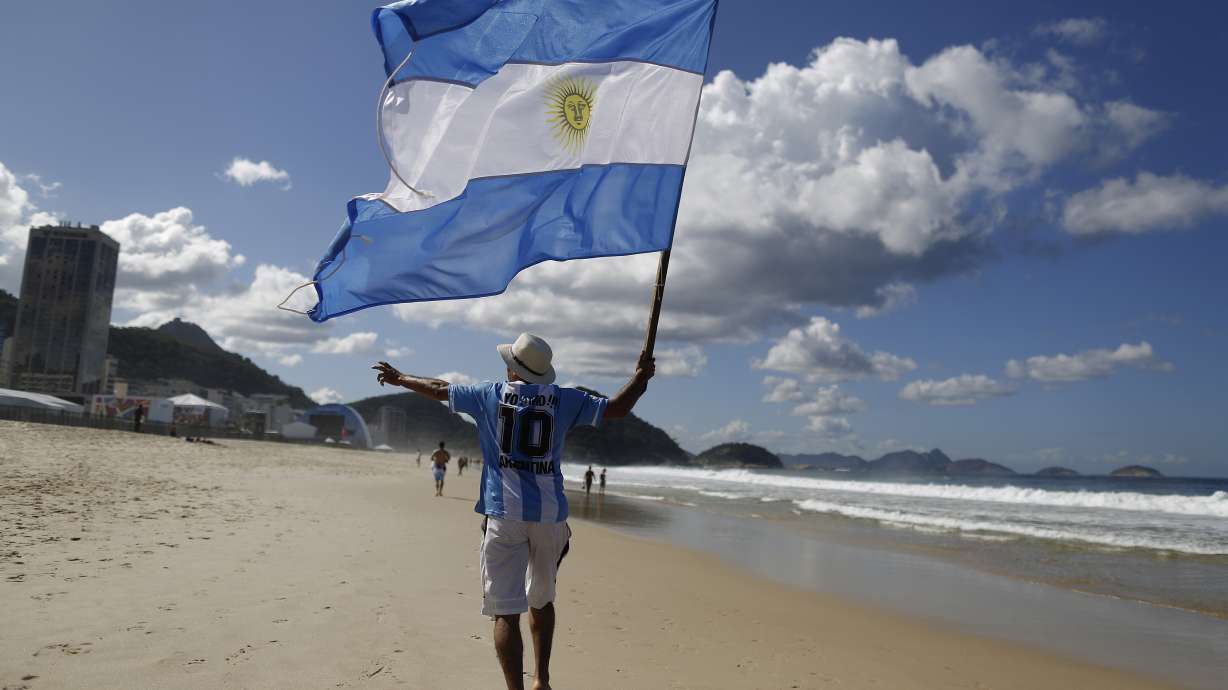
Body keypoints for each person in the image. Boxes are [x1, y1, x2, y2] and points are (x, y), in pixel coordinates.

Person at [373, 332, 654, 690]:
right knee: (542, 599)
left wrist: (400, 378)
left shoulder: (488, 395)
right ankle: (542, 679)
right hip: (550, 516)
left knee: (505, 612)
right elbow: (616, 408)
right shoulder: (565, 399)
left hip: (504, 514)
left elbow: (440, 389)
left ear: (512, 368)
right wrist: (640, 379)